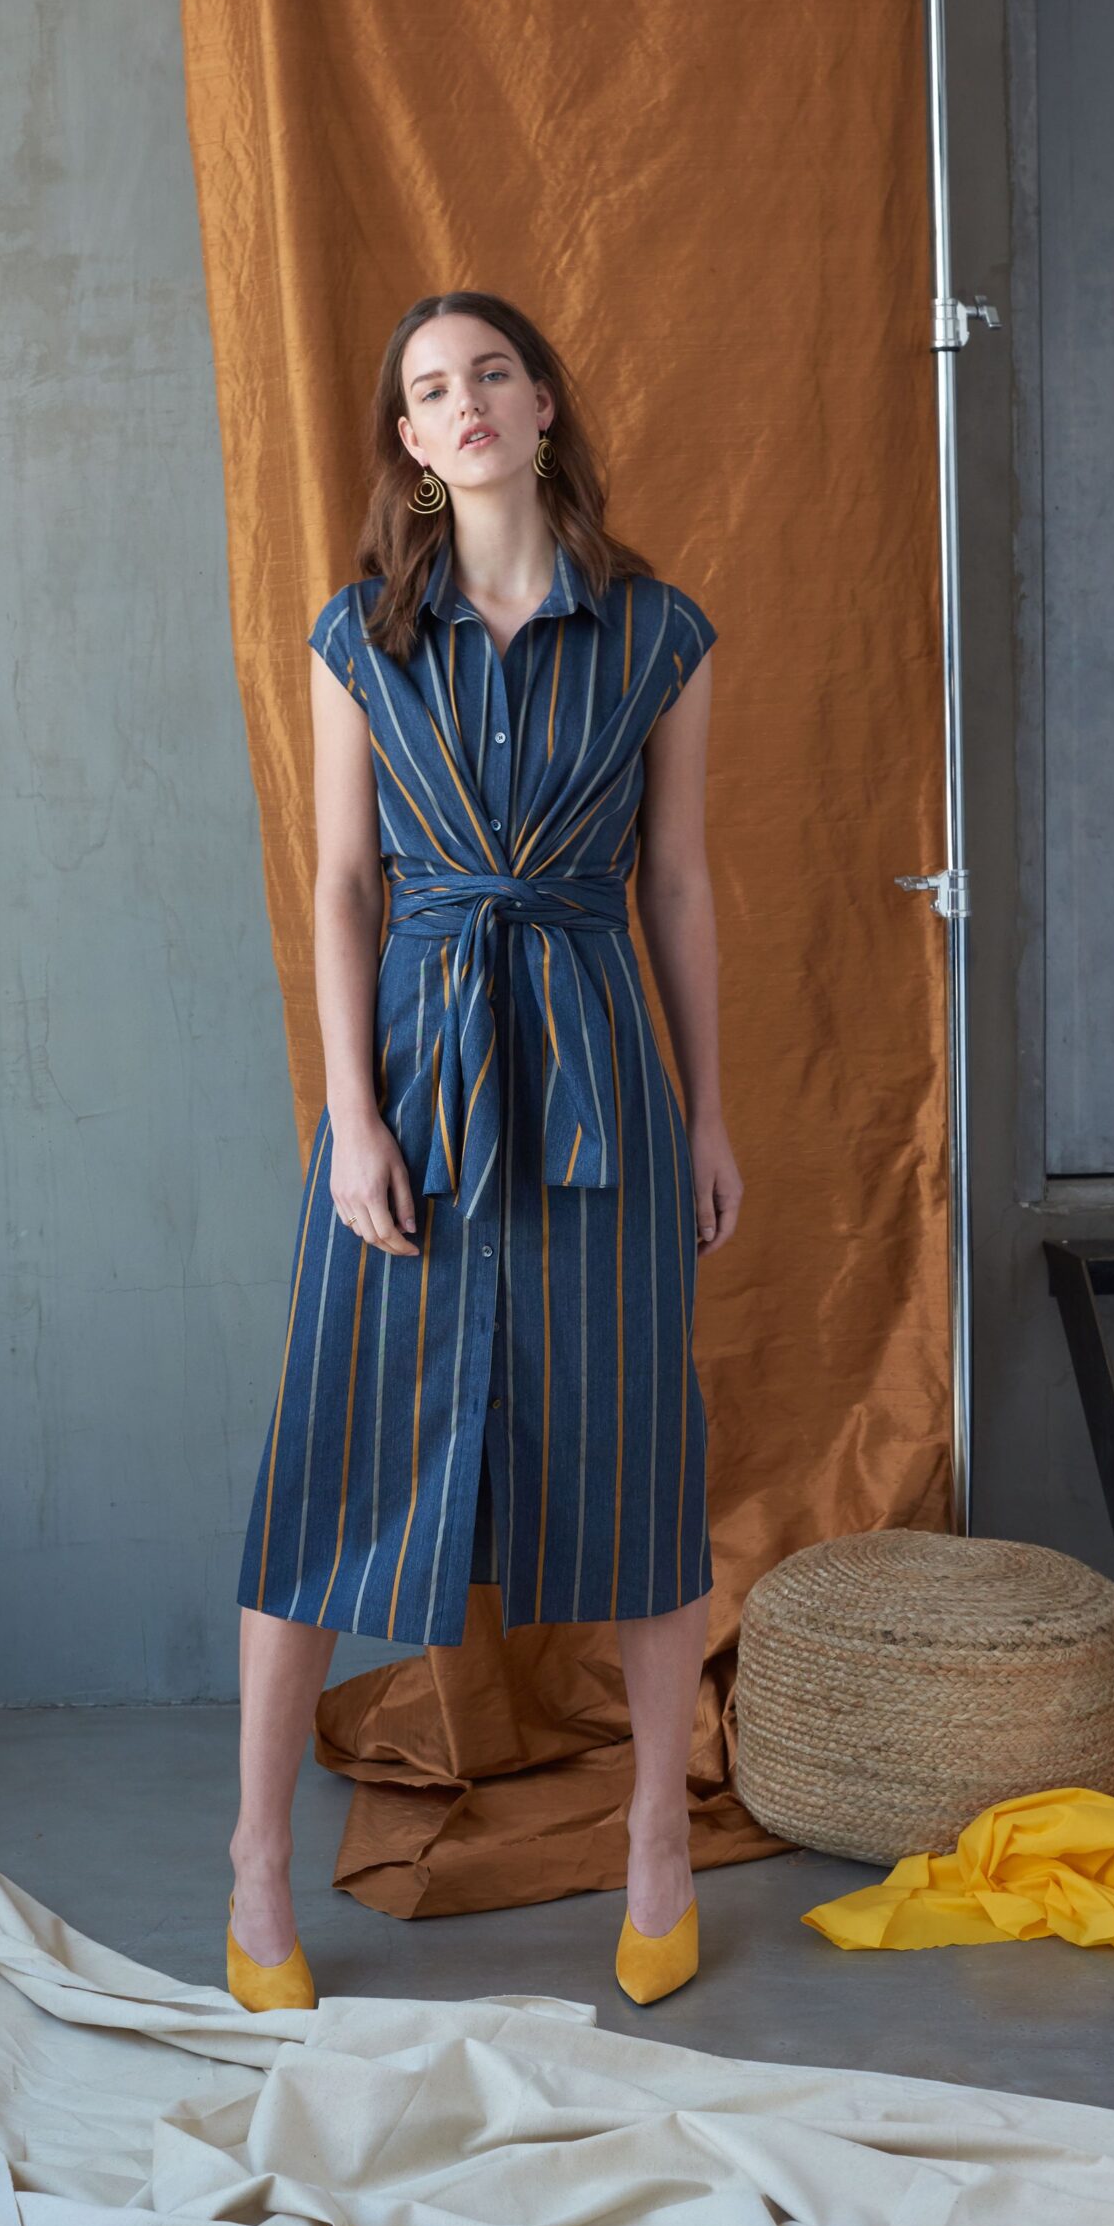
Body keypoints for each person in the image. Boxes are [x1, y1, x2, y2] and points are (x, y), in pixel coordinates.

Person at [225, 289, 743, 2014]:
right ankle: (254, 1867)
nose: (461, 407)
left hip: (602, 1070)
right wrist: (349, 1116)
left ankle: (656, 1844)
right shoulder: (359, 638)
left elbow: (675, 883)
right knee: (333, 1462)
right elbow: (343, 885)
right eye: (428, 389)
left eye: (490, 375)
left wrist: (711, 1111)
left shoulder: (658, 631)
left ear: (538, 408)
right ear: (410, 440)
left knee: (638, 1460)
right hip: (420, 1082)